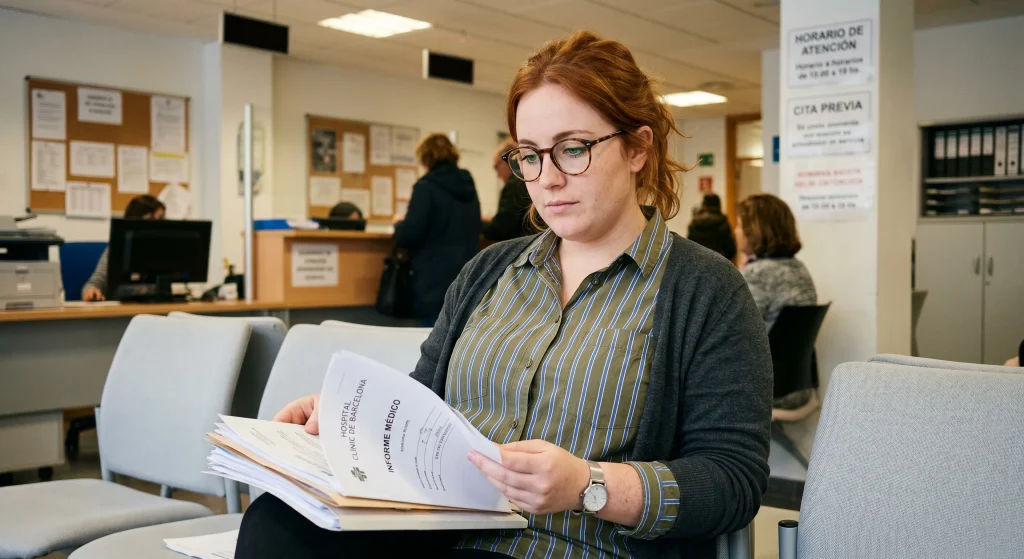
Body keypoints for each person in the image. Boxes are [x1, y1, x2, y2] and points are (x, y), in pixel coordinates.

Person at [237, 31, 771, 559]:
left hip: (572, 546)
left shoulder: (705, 290)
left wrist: (589, 484)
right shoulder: (489, 270)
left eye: (573, 149)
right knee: (275, 524)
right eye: (531, 156)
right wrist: (350, 418)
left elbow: (733, 479)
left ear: (638, 147)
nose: (548, 179)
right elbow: (422, 407)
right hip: (434, 530)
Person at [393, 133, 481, 327]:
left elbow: (409, 235)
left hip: (433, 281)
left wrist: (399, 225)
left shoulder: (426, 187)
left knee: (433, 345)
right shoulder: (467, 185)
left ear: (426, 158)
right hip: (467, 276)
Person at [734, 193, 816, 331]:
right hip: (790, 352)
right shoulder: (799, 268)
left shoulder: (755, 274)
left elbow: (739, 333)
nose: (735, 231)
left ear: (754, 231)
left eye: (738, 225)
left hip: (765, 352)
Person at [81, 194, 165, 302]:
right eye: (150, 220)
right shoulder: (118, 249)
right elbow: (95, 283)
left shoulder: (166, 250)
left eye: (161, 219)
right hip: (121, 310)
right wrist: (91, 291)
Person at [482, 137, 534, 241]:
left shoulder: (515, 185)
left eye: (496, 167)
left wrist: (477, 222)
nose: (497, 174)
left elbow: (501, 230)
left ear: (507, 161)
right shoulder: (528, 181)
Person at [687, 193, 736, 261]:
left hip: (697, 263)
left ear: (703, 204)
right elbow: (730, 250)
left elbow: (689, 247)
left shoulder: (694, 223)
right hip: (718, 264)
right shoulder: (722, 222)